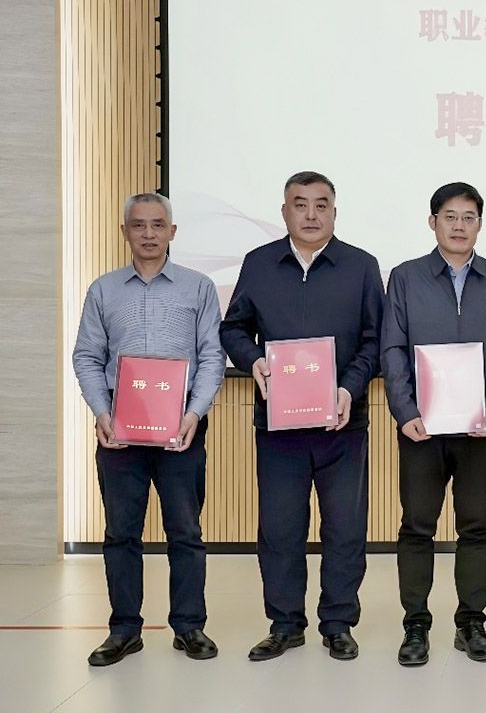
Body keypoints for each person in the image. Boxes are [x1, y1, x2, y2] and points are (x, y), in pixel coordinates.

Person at [220, 171, 384, 662]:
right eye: (300, 204)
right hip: (279, 426)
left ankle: (338, 624)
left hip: (343, 424)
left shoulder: (361, 266)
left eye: (321, 205)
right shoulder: (259, 264)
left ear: (334, 211)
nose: (311, 214)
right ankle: (285, 624)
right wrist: (253, 360)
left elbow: (375, 340)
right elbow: (233, 329)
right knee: (280, 529)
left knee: (345, 529)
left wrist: (348, 387)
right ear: (284, 211)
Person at [72, 192, 224, 666]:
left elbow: (212, 356)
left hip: (182, 428)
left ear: (172, 232)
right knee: (121, 533)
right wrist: (102, 412)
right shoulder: (103, 290)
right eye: (139, 225)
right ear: (125, 233)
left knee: (185, 531)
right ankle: (124, 630)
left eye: (158, 225)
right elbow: (87, 356)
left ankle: (189, 626)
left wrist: (194, 414)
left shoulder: (199, 288)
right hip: (119, 431)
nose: (149, 234)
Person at [381, 182, 486, 666]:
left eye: (468, 217)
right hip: (421, 429)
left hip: (479, 428)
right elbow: (392, 348)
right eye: (450, 216)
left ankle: (471, 624)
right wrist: (405, 411)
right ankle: (415, 626)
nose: (459, 226)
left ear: (480, 225)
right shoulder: (406, 277)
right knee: (417, 527)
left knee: (476, 526)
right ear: (433, 222)